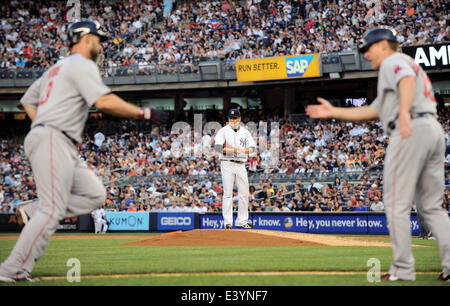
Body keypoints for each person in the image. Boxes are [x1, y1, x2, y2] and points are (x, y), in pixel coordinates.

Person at [0, 20, 168, 283]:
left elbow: (26, 101)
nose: (100, 45)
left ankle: (34, 211)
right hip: (54, 137)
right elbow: (102, 101)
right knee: (52, 210)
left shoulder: (56, 69)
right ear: (85, 38)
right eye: (98, 39)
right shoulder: (81, 64)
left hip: (56, 138)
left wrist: (43, 124)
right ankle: (11, 270)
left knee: (95, 194)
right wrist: (143, 112)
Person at [306, 26, 450, 282]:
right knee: (431, 207)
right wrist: (335, 112)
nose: (367, 55)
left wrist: (404, 112)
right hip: (432, 129)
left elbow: (405, 81)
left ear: (384, 44)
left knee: (396, 203)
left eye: (368, 48)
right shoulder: (404, 62)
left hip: (411, 129)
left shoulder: (393, 61)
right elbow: (374, 110)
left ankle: (403, 269)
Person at [214, 108, 256, 229]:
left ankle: (242, 221)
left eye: (234, 118)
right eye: (230, 118)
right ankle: (227, 222)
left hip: (241, 164)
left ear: (239, 119)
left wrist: (246, 150)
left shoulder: (245, 132)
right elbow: (217, 148)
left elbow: (252, 148)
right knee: (228, 193)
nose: (232, 120)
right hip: (227, 163)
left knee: (244, 193)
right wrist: (234, 150)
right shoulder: (223, 131)